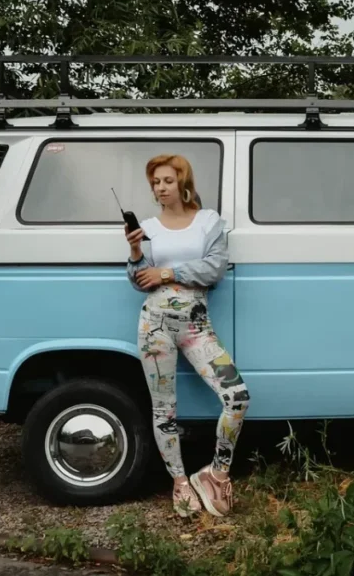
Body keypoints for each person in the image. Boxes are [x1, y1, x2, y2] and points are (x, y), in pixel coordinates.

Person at [124, 154, 248, 518]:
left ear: (183, 182)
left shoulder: (208, 221)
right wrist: (135, 251)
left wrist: (167, 273)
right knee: (164, 408)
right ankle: (179, 482)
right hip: (155, 326)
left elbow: (215, 268)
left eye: (167, 180)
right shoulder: (148, 228)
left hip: (196, 325)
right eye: (155, 183)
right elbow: (139, 279)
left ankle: (216, 473)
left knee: (237, 397)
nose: (161, 188)